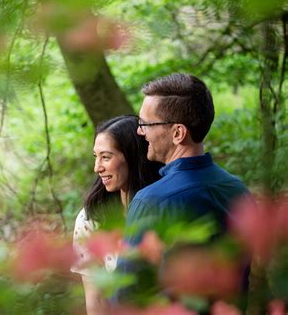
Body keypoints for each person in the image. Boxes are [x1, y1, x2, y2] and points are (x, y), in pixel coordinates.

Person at [116, 73, 249, 302]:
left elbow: (125, 294)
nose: (139, 131)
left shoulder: (151, 201)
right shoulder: (237, 190)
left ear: (178, 133)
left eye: (145, 123)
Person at [71, 115, 162, 315]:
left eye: (106, 157)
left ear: (132, 156)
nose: (97, 167)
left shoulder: (164, 207)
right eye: (96, 157)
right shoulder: (90, 219)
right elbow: (96, 299)